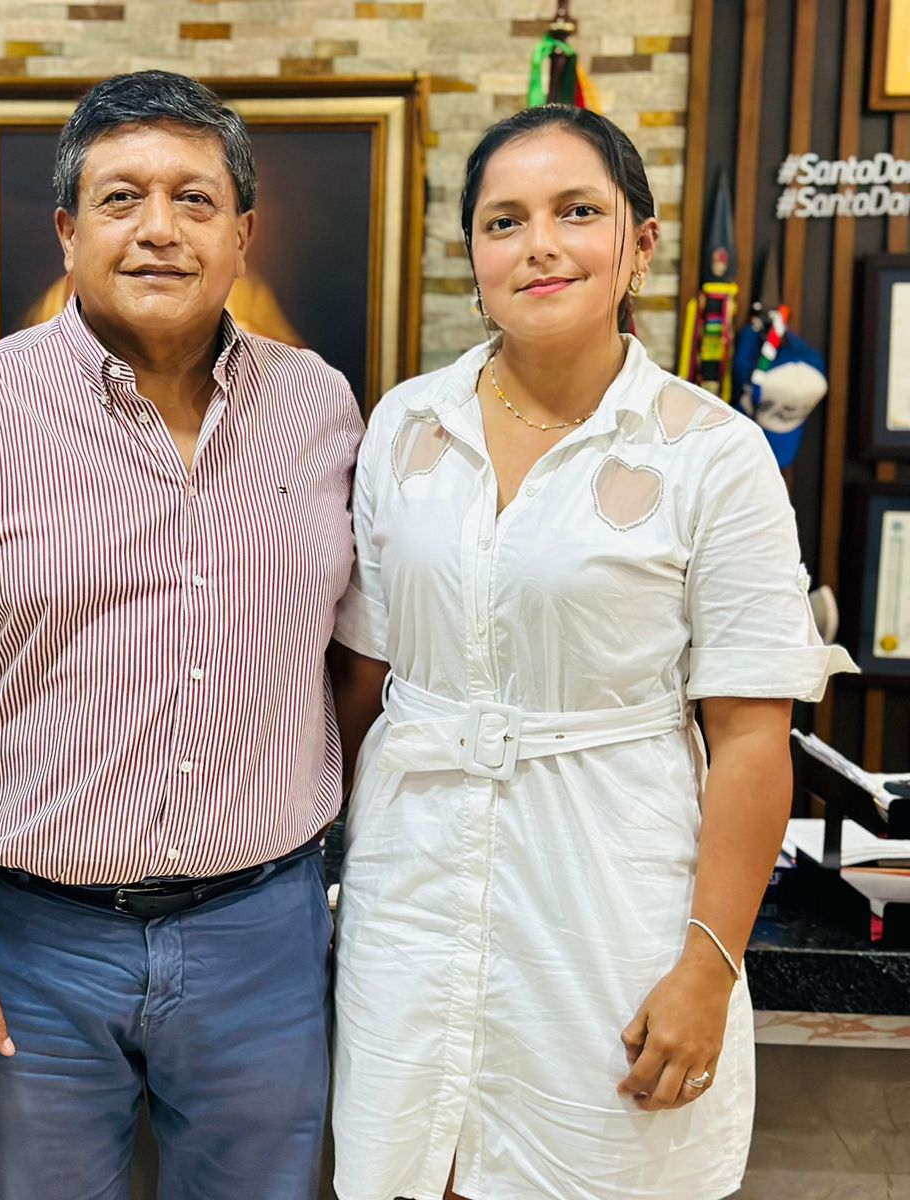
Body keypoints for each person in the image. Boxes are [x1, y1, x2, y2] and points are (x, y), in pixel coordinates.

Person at [0, 70, 363, 1200]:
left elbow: (350, 658)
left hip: (264, 936)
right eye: (122, 198)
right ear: (69, 231)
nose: (159, 229)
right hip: (31, 943)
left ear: (243, 235)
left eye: (194, 199)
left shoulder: (320, 405)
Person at [327, 104, 857, 1200]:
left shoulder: (713, 454)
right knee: (417, 1164)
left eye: (577, 212)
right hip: (412, 882)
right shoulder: (405, 426)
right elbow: (363, 679)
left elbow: (750, 739)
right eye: (503, 221)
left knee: (600, 1164)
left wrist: (709, 963)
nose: (540, 245)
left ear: (639, 243)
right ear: (472, 256)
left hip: (611, 888)